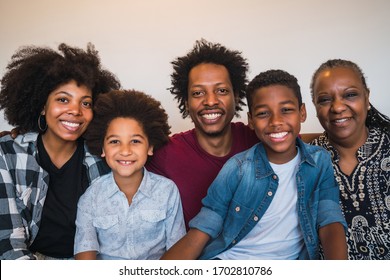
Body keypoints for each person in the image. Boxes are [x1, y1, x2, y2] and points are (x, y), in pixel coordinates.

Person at [161, 69, 347, 260]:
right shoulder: (238, 167)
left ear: (302, 113)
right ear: (251, 121)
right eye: (263, 113)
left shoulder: (318, 161)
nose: (276, 122)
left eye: (286, 110)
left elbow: (329, 220)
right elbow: (205, 226)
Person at [0, 43, 120, 260]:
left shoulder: (102, 156)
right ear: (42, 106)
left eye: (86, 103)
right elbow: (9, 244)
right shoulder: (8, 154)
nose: (75, 110)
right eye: (63, 99)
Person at [145, 39, 259, 229]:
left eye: (221, 90)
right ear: (186, 101)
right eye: (198, 93)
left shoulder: (259, 139)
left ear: (236, 96)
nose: (210, 101)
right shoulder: (165, 154)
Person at [74, 90, 186, 260]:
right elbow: (85, 255)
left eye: (135, 141)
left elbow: (177, 249)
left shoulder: (167, 191)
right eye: (114, 141)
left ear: (150, 147)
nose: (125, 151)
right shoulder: (91, 197)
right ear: (102, 149)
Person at [310, 59, 390, 260]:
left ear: (367, 97)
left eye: (350, 95)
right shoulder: (306, 159)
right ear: (314, 106)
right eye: (325, 99)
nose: (337, 107)